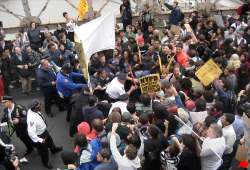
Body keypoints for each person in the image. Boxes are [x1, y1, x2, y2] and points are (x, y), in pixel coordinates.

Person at [27, 99, 63, 169]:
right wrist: (40, 140)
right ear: (35, 108)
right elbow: (30, 133)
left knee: (50, 141)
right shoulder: (32, 119)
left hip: (44, 131)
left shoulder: (34, 110)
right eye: (38, 105)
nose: (40, 106)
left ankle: (53, 149)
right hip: (40, 135)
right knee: (44, 151)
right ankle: (45, 162)